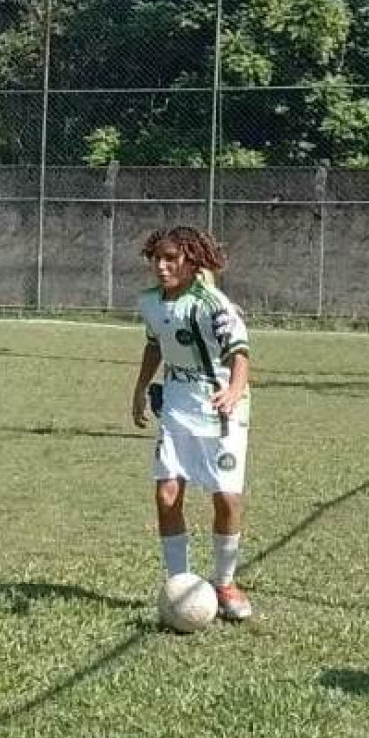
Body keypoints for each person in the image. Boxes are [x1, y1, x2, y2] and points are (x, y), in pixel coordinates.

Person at [128, 225, 254, 621]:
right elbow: (154, 344)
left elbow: (240, 351)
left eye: (171, 259)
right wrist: (140, 387)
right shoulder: (151, 303)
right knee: (166, 495)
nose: (162, 267)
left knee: (226, 497)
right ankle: (180, 584)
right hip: (178, 403)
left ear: (191, 261)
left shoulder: (212, 303)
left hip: (219, 408)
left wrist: (233, 391)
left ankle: (225, 581)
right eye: (157, 259)